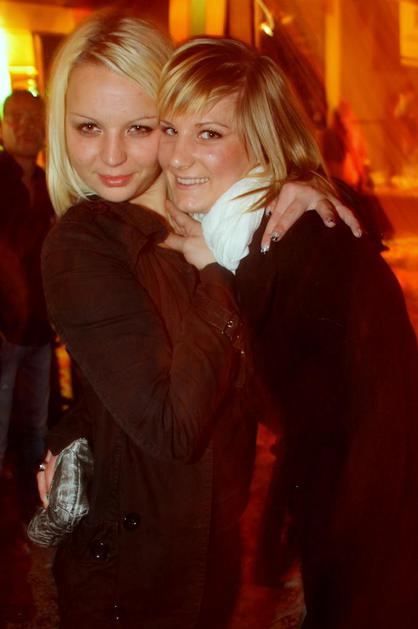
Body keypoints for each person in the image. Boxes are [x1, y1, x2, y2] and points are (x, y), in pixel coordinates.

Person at [36, 11, 358, 628]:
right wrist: (217, 275)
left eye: (140, 127)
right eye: (87, 127)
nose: (111, 155)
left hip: (212, 553)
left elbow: (276, 400)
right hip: (129, 580)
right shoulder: (84, 243)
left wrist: (297, 194)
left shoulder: (220, 222)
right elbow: (172, 427)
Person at [156, 37, 418, 629]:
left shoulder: (296, 242)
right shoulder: (247, 233)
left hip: (372, 530)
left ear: (261, 140)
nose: (176, 157)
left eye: (208, 133)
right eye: (170, 129)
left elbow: (360, 431)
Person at [0, 90, 54, 519]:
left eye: (34, 118)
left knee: (35, 427)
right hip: (3, 329)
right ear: (2, 126)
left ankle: (34, 518)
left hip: (37, 329)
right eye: (15, 117)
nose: (25, 126)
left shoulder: (46, 184)